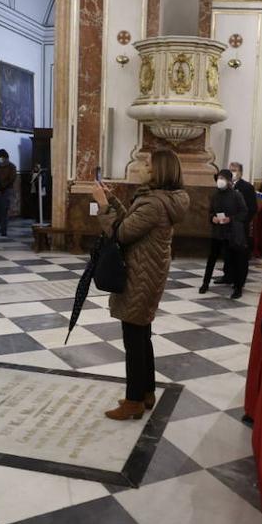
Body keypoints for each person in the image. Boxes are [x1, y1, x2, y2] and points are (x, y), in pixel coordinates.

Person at [94, 150, 189, 420]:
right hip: (147, 272)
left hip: (141, 274)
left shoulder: (154, 203)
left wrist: (102, 205)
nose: (142, 167)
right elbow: (130, 223)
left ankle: (133, 401)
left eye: (147, 164)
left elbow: (121, 233)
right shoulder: (159, 200)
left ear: (159, 170)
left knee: (134, 339)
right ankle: (146, 392)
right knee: (141, 334)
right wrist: (112, 199)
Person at [200, 169, 249, 299]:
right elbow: (211, 212)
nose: (219, 180)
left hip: (232, 232)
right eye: (218, 178)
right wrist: (212, 218)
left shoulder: (236, 195)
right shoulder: (215, 195)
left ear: (228, 181)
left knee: (235, 259)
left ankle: (238, 288)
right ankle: (205, 283)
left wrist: (230, 219)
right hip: (218, 232)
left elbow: (244, 212)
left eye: (222, 178)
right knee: (212, 258)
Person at [219, 161, 257, 287]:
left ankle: (239, 280)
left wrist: (241, 221)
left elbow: (252, 208)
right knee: (227, 252)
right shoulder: (225, 187)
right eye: (230, 170)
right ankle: (227, 275)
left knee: (240, 254)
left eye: (234, 170)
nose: (232, 172)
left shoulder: (247, 187)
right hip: (226, 225)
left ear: (240, 172)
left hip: (240, 226)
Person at [0, 148, 16, 237]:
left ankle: (4, 230)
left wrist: (2, 187)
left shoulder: (11, 166)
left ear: (4, 157)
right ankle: (2, 226)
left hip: (7, 190)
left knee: (4, 210)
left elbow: (12, 179)